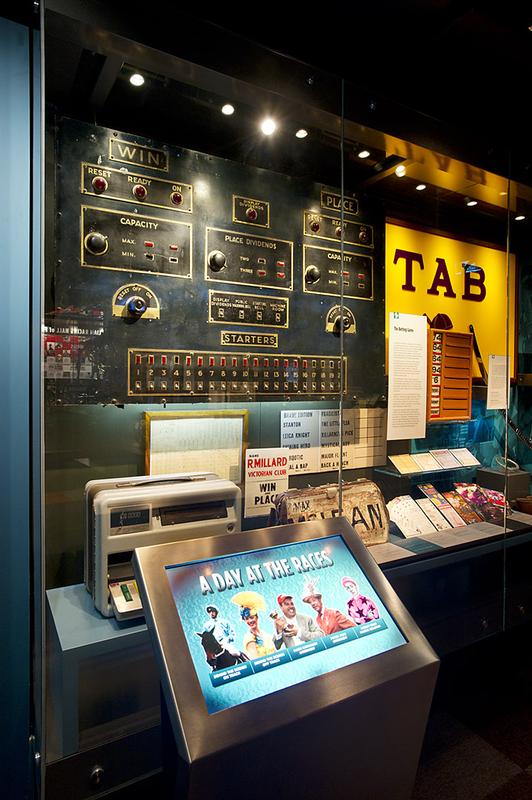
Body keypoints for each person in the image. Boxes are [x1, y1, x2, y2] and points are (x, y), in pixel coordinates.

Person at [231, 591, 276, 659]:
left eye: (252, 617)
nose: (250, 621)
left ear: (257, 617)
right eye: (246, 619)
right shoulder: (249, 638)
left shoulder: (266, 634)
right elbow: (256, 660)